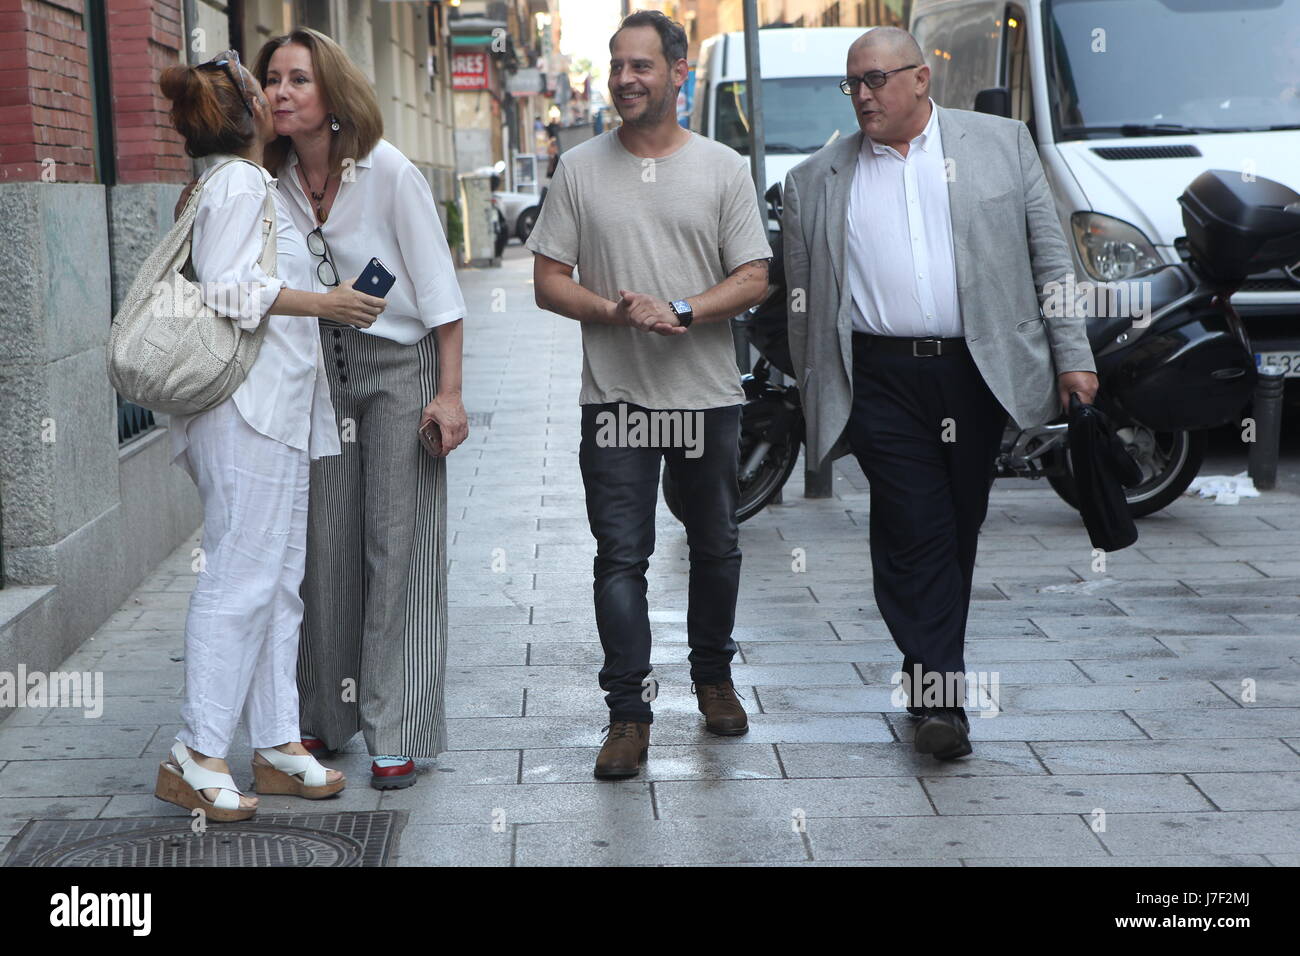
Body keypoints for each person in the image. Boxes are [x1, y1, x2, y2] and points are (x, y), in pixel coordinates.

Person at [783, 27, 1098, 760]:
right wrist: (816, 390)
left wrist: (1073, 357)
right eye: (852, 84)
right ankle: (940, 702)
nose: (863, 95)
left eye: (876, 80)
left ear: (921, 79)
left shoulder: (1000, 144)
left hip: (974, 371)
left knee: (957, 526)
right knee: (912, 524)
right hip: (880, 378)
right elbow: (801, 303)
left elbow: (1051, 259)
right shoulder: (816, 180)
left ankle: (926, 670)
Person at [526, 11, 772, 780]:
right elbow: (547, 280)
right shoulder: (579, 168)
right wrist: (613, 310)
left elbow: (756, 277)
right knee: (619, 558)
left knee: (716, 546)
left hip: (704, 397)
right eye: (616, 65)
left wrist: (685, 310)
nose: (626, 79)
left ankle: (713, 679)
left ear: (676, 73)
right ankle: (627, 715)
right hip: (618, 401)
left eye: (641, 66)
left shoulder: (722, 168)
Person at [153, 50, 387, 820]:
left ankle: (279, 741)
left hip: (277, 408)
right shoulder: (239, 183)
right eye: (266, 89)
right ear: (249, 114)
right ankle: (197, 752)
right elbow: (226, 285)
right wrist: (326, 306)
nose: (277, 97)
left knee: (278, 581)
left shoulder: (242, 183)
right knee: (240, 578)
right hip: (244, 410)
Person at [253, 28, 469, 790]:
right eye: (272, 79)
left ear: (332, 95)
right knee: (324, 548)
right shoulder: (266, 179)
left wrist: (449, 394)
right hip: (315, 371)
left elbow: (442, 298)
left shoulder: (389, 173)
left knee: (394, 544)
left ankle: (394, 726)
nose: (282, 92)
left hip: (397, 367)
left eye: (298, 80)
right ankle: (325, 716)